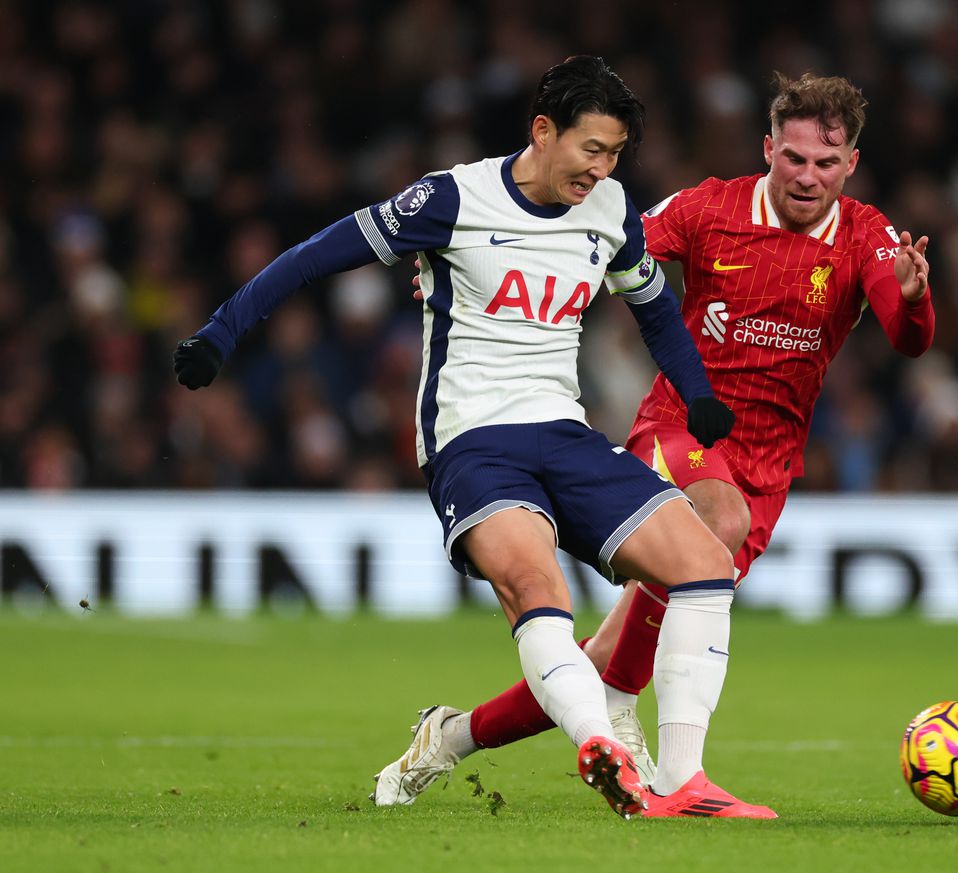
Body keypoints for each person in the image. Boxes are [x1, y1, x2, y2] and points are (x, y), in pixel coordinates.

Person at [172, 56, 765, 821]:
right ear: (543, 131)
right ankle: (603, 750)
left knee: (704, 564)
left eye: (615, 153)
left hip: (565, 431)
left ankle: (685, 783)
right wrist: (223, 331)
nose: (603, 168)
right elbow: (315, 254)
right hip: (474, 439)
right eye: (592, 148)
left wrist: (699, 396)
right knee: (537, 589)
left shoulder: (611, 209)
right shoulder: (452, 198)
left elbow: (652, 308)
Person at [382, 72, 936, 819]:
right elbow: (596, 242)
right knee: (720, 525)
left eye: (826, 164)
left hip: (770, 463)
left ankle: (449, 738)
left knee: (608, 668)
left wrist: (912, 294)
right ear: (768, 149)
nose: (809, 177)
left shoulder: (868, 233)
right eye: (795, 158)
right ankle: (684, 775)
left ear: (851, 166)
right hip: (680, 433)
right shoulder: (709, 207)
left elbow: (906, 338)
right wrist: (468, 276)